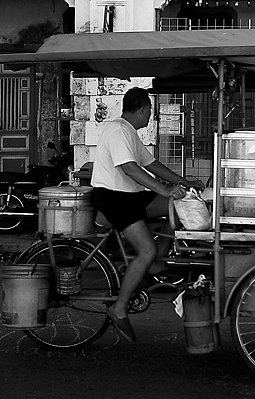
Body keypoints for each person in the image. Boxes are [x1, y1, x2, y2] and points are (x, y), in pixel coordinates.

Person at [91, 87, 204, 342]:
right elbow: (130, 169)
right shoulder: (118, 130)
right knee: (146, 249)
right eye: (150, 110)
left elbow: (151, 164)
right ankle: (119, 309)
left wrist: (184, 183)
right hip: (114, 198)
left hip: (130, 196)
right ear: (142, 109)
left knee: (175, 205)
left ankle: (157, 263)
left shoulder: (129, 132)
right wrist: (164, 189)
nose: (151, 115)